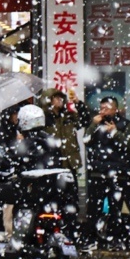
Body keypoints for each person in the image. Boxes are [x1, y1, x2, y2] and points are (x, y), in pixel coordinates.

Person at [83, 96, 130, 249]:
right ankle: (91, 239)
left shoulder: (125, 124)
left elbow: (129, 144)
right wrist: (93, 125)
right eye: (101, 108)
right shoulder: (96, 123)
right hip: (97, 173)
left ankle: (115, 239)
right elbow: (86, 140)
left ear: (116, 109)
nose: (103, 111)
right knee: (94, 208)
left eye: (107, 108)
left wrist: (115, 132)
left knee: (116, 208)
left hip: (118, 173)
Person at [40, 88, 82, 240]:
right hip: (52, 169)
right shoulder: (43, 119)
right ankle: (54, 234)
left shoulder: (68, 116)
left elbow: (85, 121)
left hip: (69, 166)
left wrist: (78, 104)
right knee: (53, 203)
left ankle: (70, 234)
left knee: (72, 202)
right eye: (56, 98)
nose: (60, 101)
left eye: (61, 98)